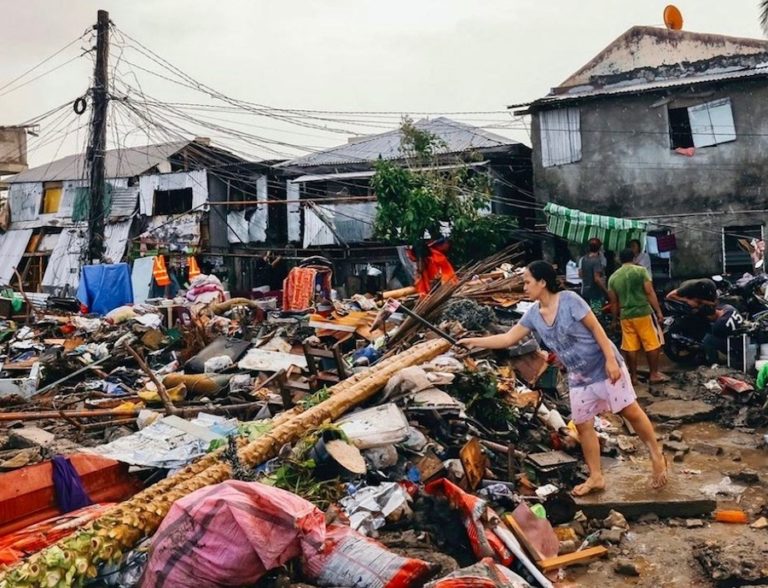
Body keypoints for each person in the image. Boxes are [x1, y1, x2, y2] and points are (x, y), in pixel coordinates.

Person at [459, 261, 668, 496]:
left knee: (629, 411)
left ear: (542, 282)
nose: (524, 287)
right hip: (579, 375)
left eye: (528, 282)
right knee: (582, 424)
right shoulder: (533, 314)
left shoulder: (569, 300)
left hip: (603, 365)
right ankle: (596, 477)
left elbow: (597, 329)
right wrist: (473, 341)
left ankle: (656, 454)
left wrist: (610, 360)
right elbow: (508, 339)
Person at [608, 248, 668, 385]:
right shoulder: (641, 271)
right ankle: (653, 374)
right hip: (643, 312)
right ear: (634, 258)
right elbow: (649, 292)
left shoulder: (613, 277)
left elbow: (613, 302)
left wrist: (613, 320)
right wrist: (658, 311)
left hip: (625, 315)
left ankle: (633, 378)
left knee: (630, 346)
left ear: (619, 260)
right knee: (652, 344)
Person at [579, 238, 608, 313]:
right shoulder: (597, 260)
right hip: (595, 294)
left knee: (587, 315)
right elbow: (597, 279)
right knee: (597, 314)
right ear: (599, 248)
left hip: (585, 292)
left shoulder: (584, 259)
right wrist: (606, 291)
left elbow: (581, 274)